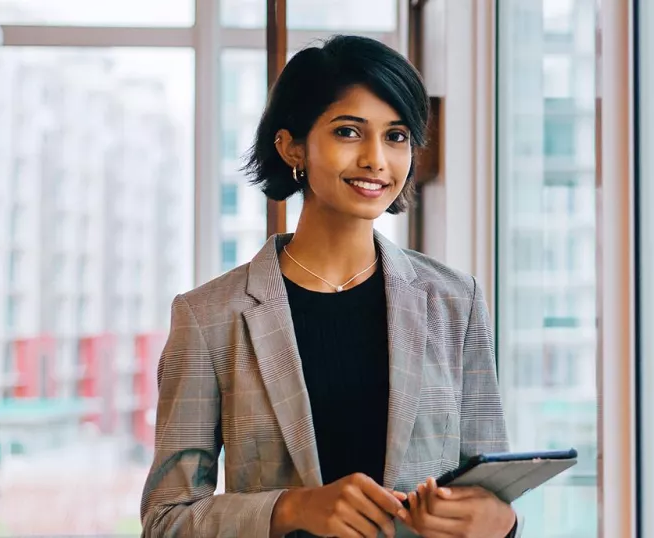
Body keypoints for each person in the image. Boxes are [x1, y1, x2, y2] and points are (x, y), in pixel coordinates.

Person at [140, 35, 521, 538]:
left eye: (396, 136)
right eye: (348, 132)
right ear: (292, 146)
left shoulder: (456, 302)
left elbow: (487, 486)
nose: (375, 159)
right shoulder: (210, 316)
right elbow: (166, 521)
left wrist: (504, 522)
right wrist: (289, 509)